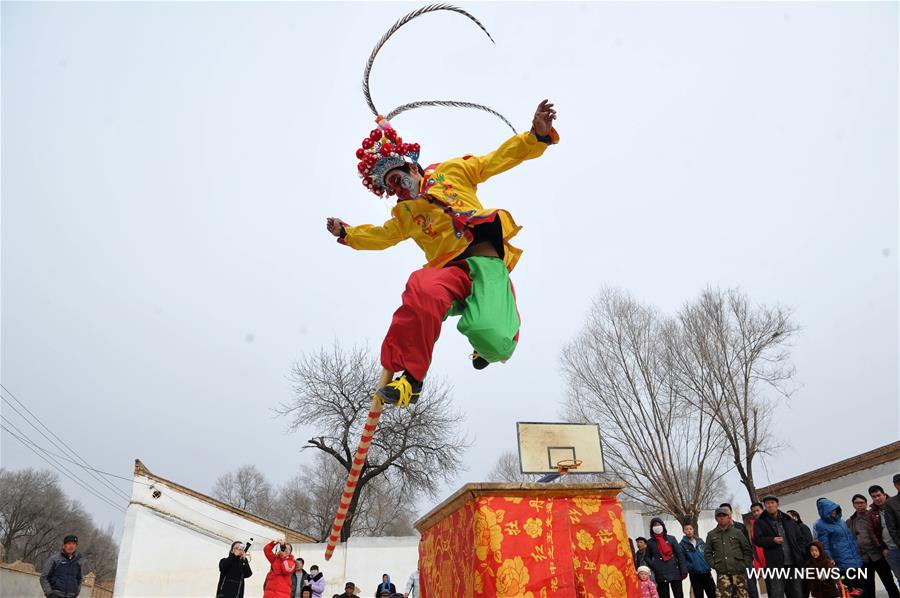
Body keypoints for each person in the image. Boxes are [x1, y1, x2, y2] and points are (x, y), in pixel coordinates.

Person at [327, 100, 559, 406]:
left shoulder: (452, 171)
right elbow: (381, 236)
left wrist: (534, 136)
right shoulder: (406, 215)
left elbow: (496, 160)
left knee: (491, 337)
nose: (397, 190)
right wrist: (348, 233)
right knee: (421, 286)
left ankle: (487, 339)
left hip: (484, 261)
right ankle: (411, 380)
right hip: (449, 274)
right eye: (390, 189)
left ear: (410, 166)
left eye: (396, 180)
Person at [849, 492, 900, 598]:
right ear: (853, 505)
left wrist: (883, 547)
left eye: (862, 502)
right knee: (868, 586)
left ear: (866, 503)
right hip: (864, 558)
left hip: (879, 555)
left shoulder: (873, 515)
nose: (860, 505)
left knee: (888, 582)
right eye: (857, 503)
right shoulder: (850, 522)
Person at [754, 495, 805, 598]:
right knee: (777, 594)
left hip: (792, 563)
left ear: (777, 504)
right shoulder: (760, 522)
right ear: (765, 506)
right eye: (767, 503)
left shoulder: (788, 520)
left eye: (772, 503)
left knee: (796, 593)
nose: (770, 505)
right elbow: (757, 540)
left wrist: (800, 553)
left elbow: (800, 538)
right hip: (775, 565)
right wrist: (772, 540)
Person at [705, 507, 753, 598]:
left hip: (738, 571)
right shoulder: (711, 535)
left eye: (724, 515)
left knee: (743, 595)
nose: (722, 518)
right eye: (719, 516)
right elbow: (707, 552)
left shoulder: (737, 532)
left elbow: (747, 549)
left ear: (728, 517)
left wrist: (745, 563)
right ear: (716, 519)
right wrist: (714, 565)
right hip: (722, 573)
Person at [723, 502, 763, 598]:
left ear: (731, 512)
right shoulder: (719, 530)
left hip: (746, 563)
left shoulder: (740, 526)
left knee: (752, 588)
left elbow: (747, 545)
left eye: (726, 511)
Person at [644, 517, 687, 598]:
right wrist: (654, 565)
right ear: (651, 528)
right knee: (664, 596)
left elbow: (680, 554)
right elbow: (646, 557)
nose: (657, 526)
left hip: (675, 571)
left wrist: (683, 569)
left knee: (679, 595)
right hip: (660, 573)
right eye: (654, 525)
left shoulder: (671, 538)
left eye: (659, 524)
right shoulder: (650, 542)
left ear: (663, 526)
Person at [873, 480, 900, 582]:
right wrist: (882, 548)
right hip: (891, 550)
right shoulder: (872, 514)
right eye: (874, 496)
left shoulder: (895, 503)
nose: (877, 498)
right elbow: (874, 534)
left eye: (879, 495)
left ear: (884, 494)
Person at [680, 523, 716, 598]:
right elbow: (682, 559)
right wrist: (691, 567)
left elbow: (707, 553)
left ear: (693, 530)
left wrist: (709, 564)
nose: (689, 531)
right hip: (695, 574)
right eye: (686, 529)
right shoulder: (682, 545)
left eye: (690, 529)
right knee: (698, 595)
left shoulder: (700, 541)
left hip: (706, 572)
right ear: (683, 531)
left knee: (713, 594)